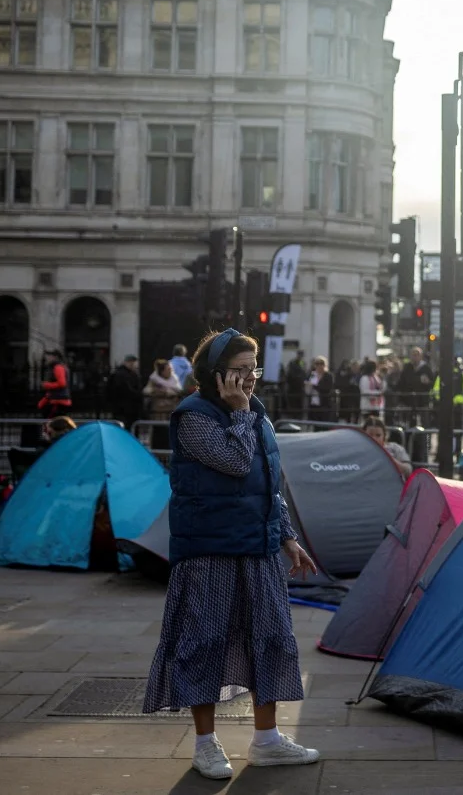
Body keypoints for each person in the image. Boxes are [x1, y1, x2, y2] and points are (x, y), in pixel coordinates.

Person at [143, 328, 321, 778]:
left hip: (257, 547)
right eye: (240, 370)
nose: (249, 379)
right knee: (204, 641)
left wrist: (287, 537)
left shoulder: (255, 415)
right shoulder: (193, 417)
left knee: (272, 638)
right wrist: (242, 414)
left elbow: (269, 487)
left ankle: (267, 740)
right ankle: (206, 745)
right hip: (209, 549)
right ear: (213, 373)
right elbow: (237, 465)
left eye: (253, 368)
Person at [106, 355, 146, 427]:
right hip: (128, 409)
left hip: (120, 408)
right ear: (130, 363)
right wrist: (139, 395)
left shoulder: (117, 374)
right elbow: (129, 391)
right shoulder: (126, 375)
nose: (136, 367)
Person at [39, 349, 72, 418]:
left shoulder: (58, 367)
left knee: (51, 423)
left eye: (49, 356)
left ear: (55, 357)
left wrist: (46, 385)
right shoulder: (59, 367)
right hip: (58, 400)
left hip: (58, 401)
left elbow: (62, 383)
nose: (46, 359)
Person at [309, 357, 336, 422]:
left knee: (324, 422)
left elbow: (327, 388)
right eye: (317, 364)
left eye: (321, 364)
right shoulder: (313, 374)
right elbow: (309, 387)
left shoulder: (328, 375)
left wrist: (314, 386)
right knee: (315, 422)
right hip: (314, 403)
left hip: (324, 403)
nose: (319, 366)